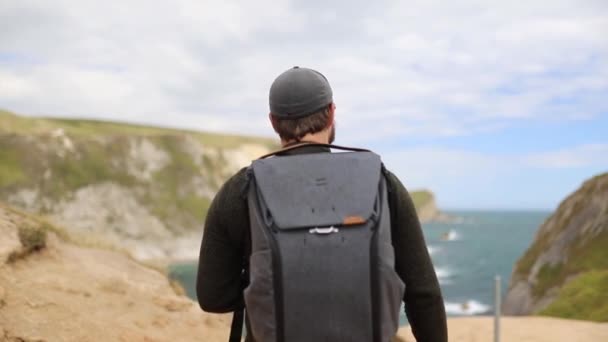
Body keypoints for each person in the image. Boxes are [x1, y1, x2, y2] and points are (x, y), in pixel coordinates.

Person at [196, 66, 447, 341]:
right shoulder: (382, 182)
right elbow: (424, 294)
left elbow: (213, 296)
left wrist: (267, 282)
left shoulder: (241, 190)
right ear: (331, 113)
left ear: (273, 121)